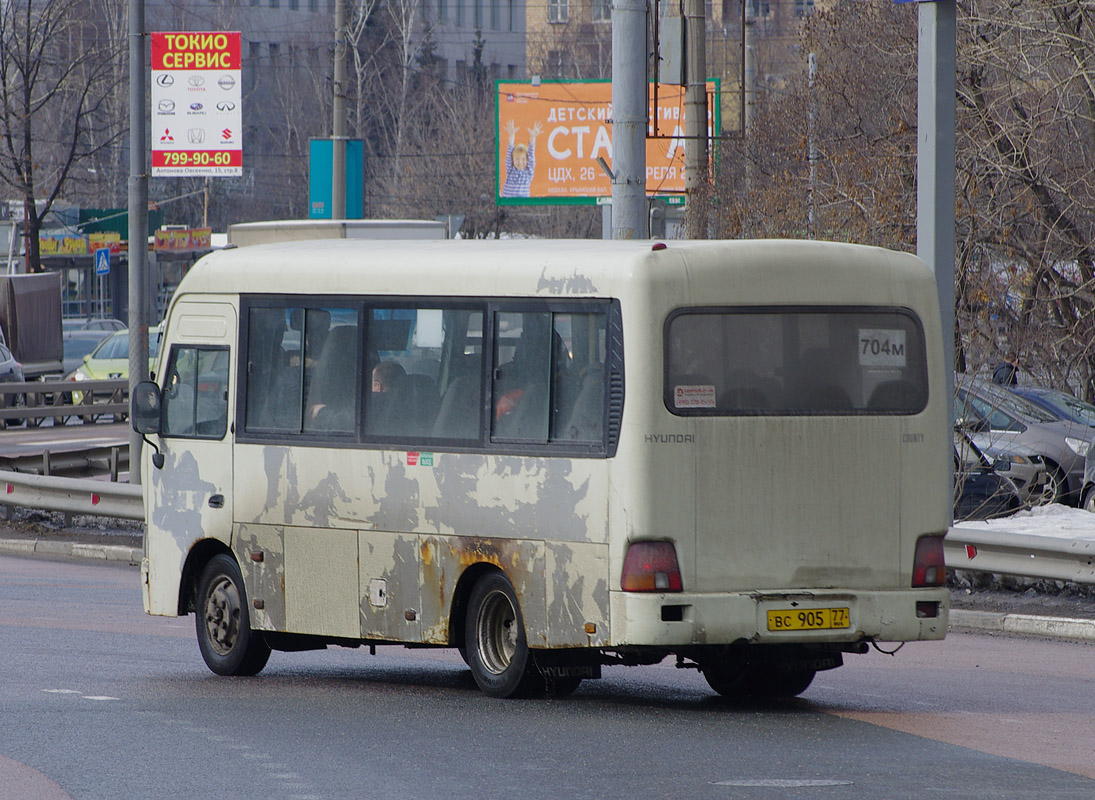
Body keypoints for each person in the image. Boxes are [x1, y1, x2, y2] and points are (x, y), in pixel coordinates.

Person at [500, 119, 542, 198]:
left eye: (523, 159)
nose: (520, 162)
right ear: (513, 160)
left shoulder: (528, 172)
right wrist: (511, 135)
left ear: (526, 160)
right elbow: (509, 152)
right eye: (517, 159)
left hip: (522, 204)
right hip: (508, 202)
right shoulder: (510, 170)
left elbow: (531, 155)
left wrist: (532, 137)